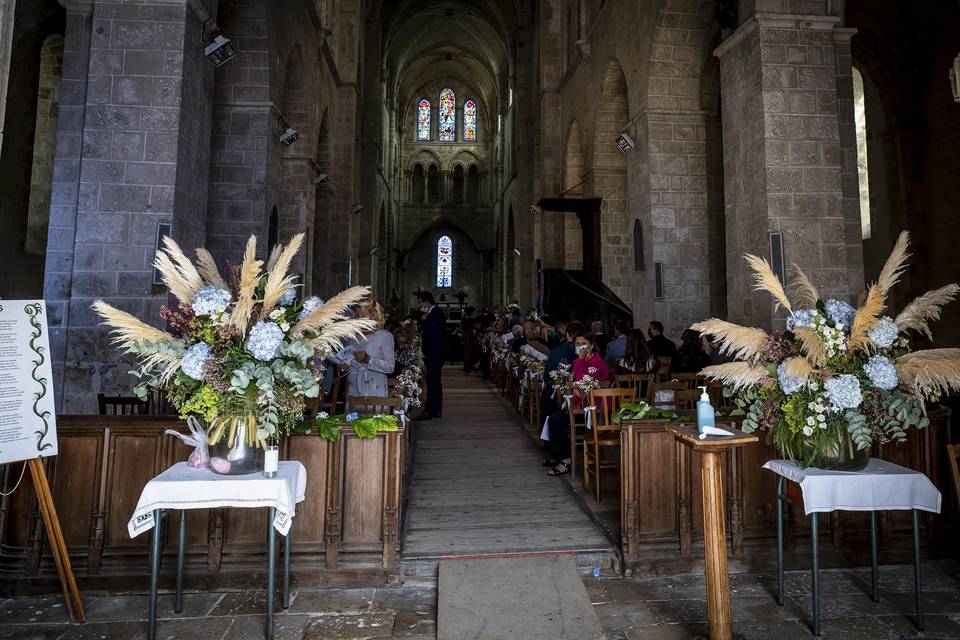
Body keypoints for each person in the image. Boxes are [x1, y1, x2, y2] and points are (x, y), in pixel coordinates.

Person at [543, 333, 609, 476]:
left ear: (591, 346)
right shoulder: (578, 361)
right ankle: (558, 455)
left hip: (591, 411)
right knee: (552, 415)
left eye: (583, 343)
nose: (580, 347)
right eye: (577, 344)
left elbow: (579, 382)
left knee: (556, 420)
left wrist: (579, 360)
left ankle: (565, 460)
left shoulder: (597, 364)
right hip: (578, 406)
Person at [333, 299, 396, 398]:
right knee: (352, 414)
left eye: (363, 316)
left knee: (372, 413)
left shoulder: (385, 336)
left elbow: (390, 367)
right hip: (352, 388)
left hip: (374, 389)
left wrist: (368, 360)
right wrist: (344, 367)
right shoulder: (353, 337)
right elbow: (349, 359)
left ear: (373, 316)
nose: (359, 319)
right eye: (357, 316)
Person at [416, 291, 446, 420]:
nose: (419, 305)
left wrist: (424, 320)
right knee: (434, 382)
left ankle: (430, 410)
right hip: (433, 352)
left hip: (435, 352)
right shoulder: (431, 312)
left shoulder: (436, 312)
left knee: (432, 381)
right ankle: (436, 409)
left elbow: (430, 329)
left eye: (420, 302)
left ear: (426, 301)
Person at [461, 306, 478, 374]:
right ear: (471, 312)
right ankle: (468, 369)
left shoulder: (463, 318)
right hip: (469, 336)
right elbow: (476, 327)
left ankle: (466, 367)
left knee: (466, 352)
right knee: (469, 352)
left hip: (464, 335)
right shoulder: (471, 320)